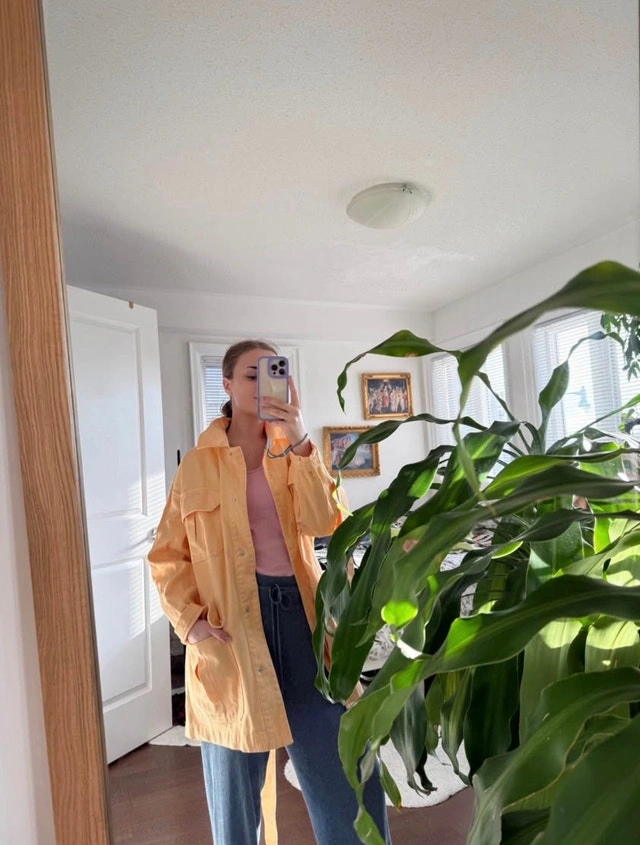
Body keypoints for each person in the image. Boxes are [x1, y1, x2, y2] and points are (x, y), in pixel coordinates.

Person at [147, 339, 391, 845]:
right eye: (251, 375)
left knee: (343, 764)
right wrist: (190, 621)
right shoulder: (197, 465)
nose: (263, 384)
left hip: (304, 620)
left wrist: (301, 441)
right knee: (234, 790)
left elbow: (329, 524)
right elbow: (167, 556)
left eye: (273, 372)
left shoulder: (293, 451)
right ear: (227, 384)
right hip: (229, 632)